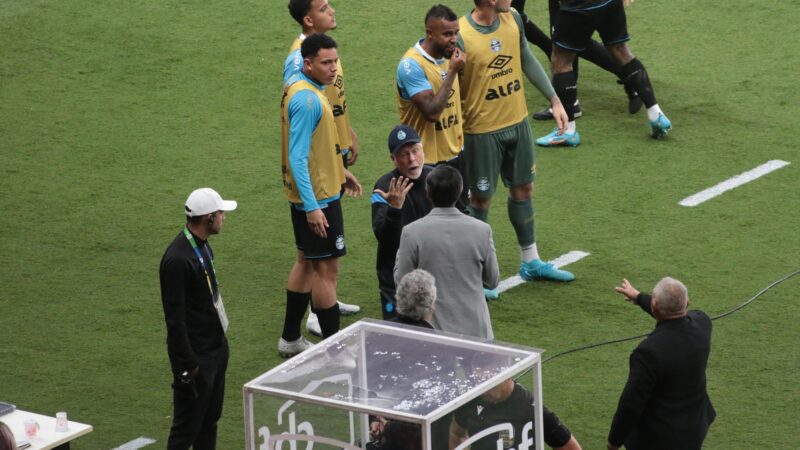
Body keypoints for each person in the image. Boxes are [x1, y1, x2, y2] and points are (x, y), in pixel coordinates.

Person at [457, 0, 575, 292]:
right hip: (481, 130)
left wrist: (555, 99)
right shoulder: (460, 35)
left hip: (518, 123)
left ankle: (530, 261)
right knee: (480, 200)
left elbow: (525, 57)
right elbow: (451, 85)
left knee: (524, 189)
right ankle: (475, 274)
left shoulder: (514, 20)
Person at [279, 33, 362, 357]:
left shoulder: (301, 87)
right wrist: (314, 208)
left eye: (334, 62)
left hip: (311, 192)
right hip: (317, 199)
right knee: (327, 273)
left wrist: (339, 171)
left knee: (305, 263)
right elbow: (297, 156)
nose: (332, 69)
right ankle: (334, 351)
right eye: (326, 63)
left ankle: (289, 338)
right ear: (308, 62)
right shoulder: (308, 100)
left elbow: (314, 148)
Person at [159, 187, 237, 450]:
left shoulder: (202, 247)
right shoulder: (178, 260)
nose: (224, 217)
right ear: (209, 218)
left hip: (214, 349)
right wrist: (190, 364)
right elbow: (175, 321)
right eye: (221, 213)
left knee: (209, 421)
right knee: (185, 431)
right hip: (196, 359)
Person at [536, 0, 672, 146]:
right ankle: (656, 114)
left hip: (579, 5)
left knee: (561, 61)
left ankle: (567, 131)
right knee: (621, 51)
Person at [607, 277, 716, 450]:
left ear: (654, 306)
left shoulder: (648, 352)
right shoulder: (703, 324)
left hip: (656, 439)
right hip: (693, 429)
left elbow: (631, 404)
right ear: (687, 302)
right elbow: (676, 315)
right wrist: (639, 297)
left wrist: (614, 441)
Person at [394, 165, 499, 340]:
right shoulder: (482, 230)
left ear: (428, 192)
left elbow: (401, 282)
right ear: (461, 191)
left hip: (434, 333)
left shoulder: (411, 232)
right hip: (477, 331)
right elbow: (492, 280)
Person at [372, 125, 436, 319]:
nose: (412, 159)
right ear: (393, 158)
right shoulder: (384, 187)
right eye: (404, 154)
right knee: (396, 338)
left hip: (433, 273)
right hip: (396, 279)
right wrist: (395, 209)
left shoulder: (437, 179)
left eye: (415, 151)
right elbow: (384, 238)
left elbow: (460, 217)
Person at [396, 4, 466, 167]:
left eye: (456, 33)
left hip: (456, 152)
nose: (454, 39)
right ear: (429, 33)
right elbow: (431, 113)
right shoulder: (411, 65)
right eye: (447, 34)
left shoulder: (451, 55)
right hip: (425, 160)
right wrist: (452, 72)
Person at [449, 378, 582, 450]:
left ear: (506, 377)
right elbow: (456, 434)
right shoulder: (472, 401)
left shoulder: (529, 407)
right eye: (478, 382)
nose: (483, 391)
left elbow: (569, 446)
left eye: (488, 384)